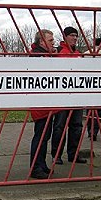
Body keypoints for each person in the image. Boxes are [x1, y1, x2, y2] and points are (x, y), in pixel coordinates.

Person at [50, 26, 86, 164]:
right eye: (72, 35)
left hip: (76, 96)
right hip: (61, 97)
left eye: (76, 36)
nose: (75, 38)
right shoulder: (58, 52)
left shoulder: (78, 53)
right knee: (59, 126)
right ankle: (56, 155)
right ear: (65, 36)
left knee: (76, 126)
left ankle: (73, 154)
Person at [29, 29, 58, 179]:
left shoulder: (45, 55)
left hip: (46, 103)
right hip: (40, 104)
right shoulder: (37, 56)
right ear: (42, 42)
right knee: (40, 136)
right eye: (51, 40)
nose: (54, 42)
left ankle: (41, 164)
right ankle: (35, 167)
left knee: (45, 135)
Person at [84, 38, 101, 141]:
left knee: (89, 111)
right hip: (99, 87)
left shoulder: (85, 54)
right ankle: (94, 131)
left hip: (87, 86)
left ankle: (89, 130)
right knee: (98, 112)